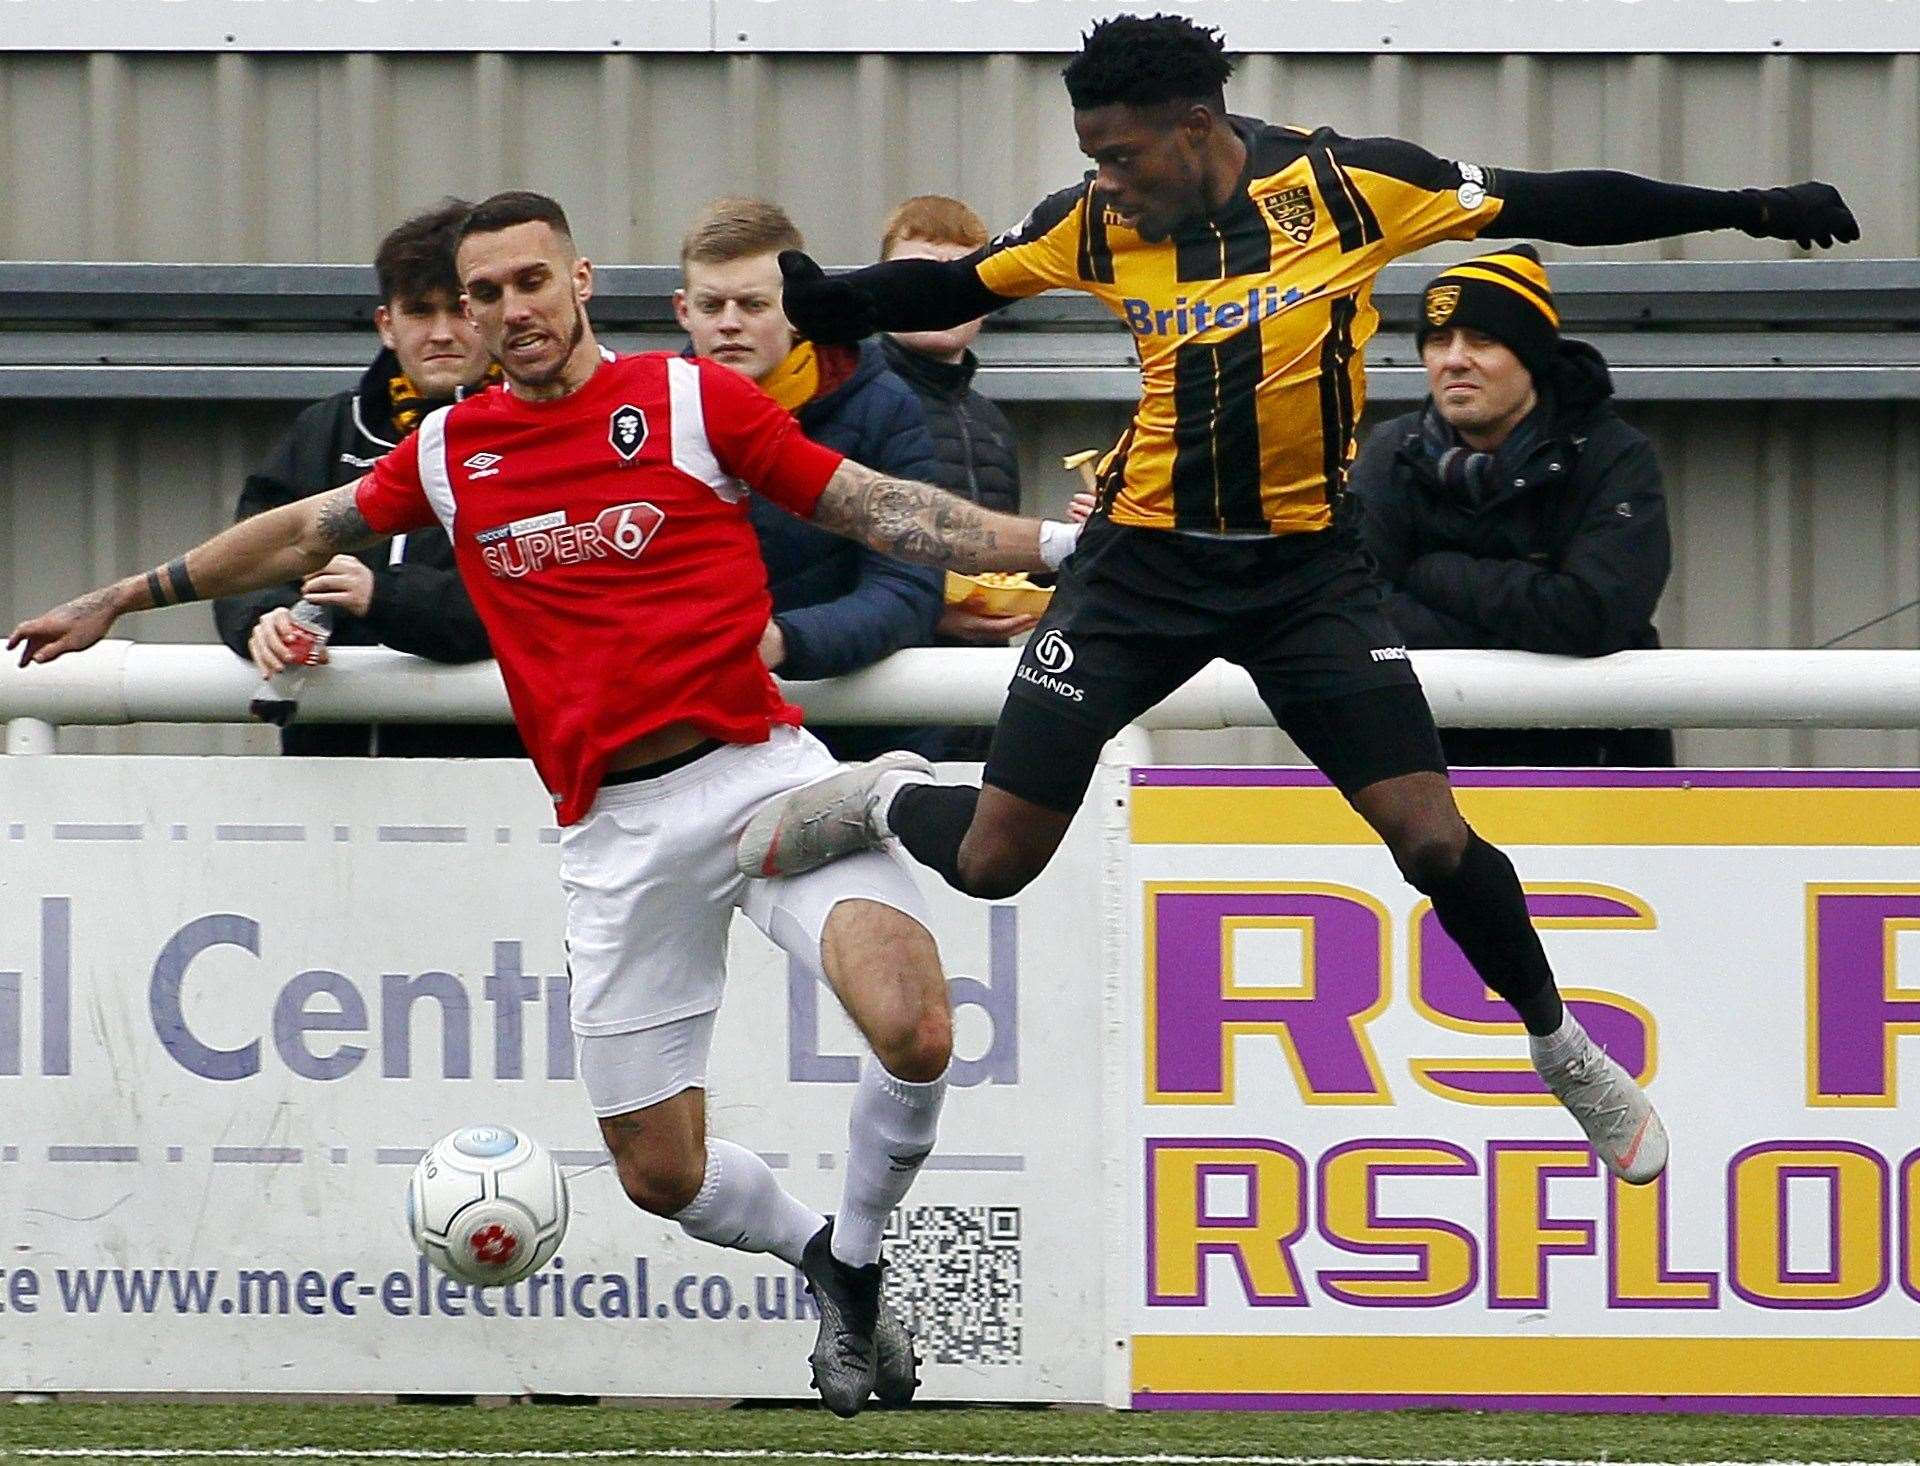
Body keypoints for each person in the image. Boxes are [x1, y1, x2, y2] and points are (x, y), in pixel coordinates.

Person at [737, 13, 1859, 1187]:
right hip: (1140, 573)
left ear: (1197, 126)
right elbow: (959, 279)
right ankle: (884, 797)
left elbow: (1554, 199)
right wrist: (837, 301)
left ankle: (1562, 1046)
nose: (1104, 184)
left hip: (1304, 576)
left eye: (1122, 157)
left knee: (1432, 838)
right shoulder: (1095, 223)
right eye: (1090, 158)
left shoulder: (1343, 187)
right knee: (991, 860)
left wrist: (1750, 205)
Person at [10, 191, 1080, 1417]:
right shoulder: (453, 452)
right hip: (616, 833)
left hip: (765, 780)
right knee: (660, 1177)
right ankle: (823, 1259)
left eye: (530, 282)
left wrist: (1056, 546)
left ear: (580, 280)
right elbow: (302, 527)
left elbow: (876, 507)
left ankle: (865, 1243)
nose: (511, 309)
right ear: (465, 312)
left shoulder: (689, 403)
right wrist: (121, 594)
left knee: (918, 1028)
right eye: (486, 293)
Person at [213, 199, 522, 758]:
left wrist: (383, 598)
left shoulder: (534, 436)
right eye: (419, 312)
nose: (442, 333)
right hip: (329, 783)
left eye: (459, 310)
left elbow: (526, 601)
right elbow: (251, 555)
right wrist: (264, 619)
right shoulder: (326, 431)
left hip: (487, 786)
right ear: (387, 324)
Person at [1350, 245, 1676, 768]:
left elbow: (1595, 615)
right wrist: (1524, 619)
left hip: (1595, 770)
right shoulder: (1393, 451)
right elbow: (1353, 610)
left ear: (1532, 355)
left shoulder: (1611, 455)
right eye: (1438, 341)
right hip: (1425, 776)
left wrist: (1436, 573)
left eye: (1483, 339)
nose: (1455, 359)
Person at [675, 198, 943, 763]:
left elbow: (908, 589)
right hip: (688, 742)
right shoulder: (643, 417)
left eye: (751, 304)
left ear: (796, 310)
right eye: (711, 304)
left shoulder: (885, 408)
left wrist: (780, 642)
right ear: (683, 311)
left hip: (856, 743)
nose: (729, 322)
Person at [877, 195, 1036, 760]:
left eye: (958, 277)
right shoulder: (848, 404)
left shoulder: (989, 422)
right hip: (872, 703)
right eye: (915, 274)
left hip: (980, 702)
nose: (937, 295)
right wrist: (929, 610)